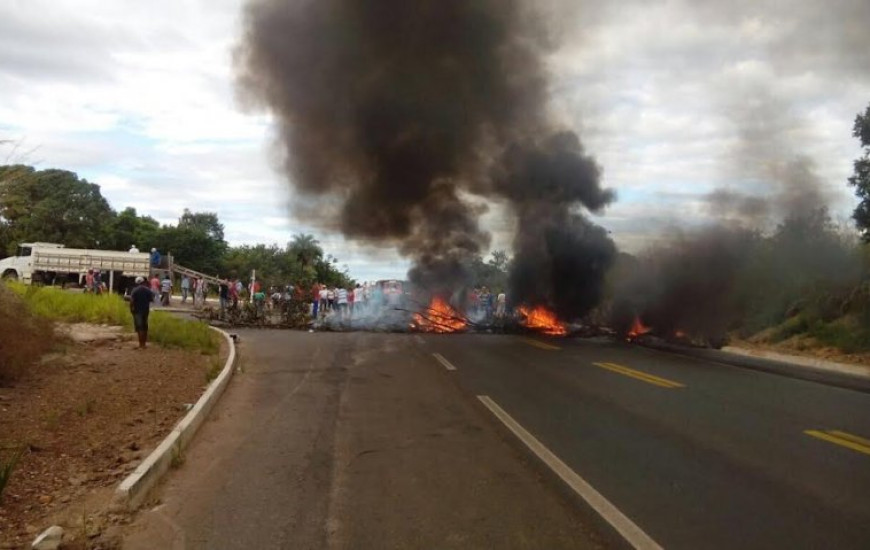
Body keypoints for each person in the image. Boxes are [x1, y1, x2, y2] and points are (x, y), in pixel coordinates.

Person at [129, 276, 154, 349]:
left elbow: (131, 301)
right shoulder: (148, 290)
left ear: (136, 283)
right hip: (146, 310)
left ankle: (141, 344)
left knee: (139, 328)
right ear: (143, 282)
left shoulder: (134, 290)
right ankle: (144, 344)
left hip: (137, 311)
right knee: (145, 326)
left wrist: (131, 309)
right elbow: (151, 299)